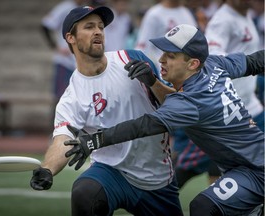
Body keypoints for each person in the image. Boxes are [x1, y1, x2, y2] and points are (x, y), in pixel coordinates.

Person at [64, 24, 265, 216]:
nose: (161, 60)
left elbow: (141, 126)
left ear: (192, 63)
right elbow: (256, 61)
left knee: (203, 207)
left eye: (170, 55)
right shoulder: (213, 64)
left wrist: (92, 141)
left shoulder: (190, 102)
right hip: (247, 164)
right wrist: (152, 82)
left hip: (255, 170)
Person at [30, 5, 183, 216]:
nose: (98, 31)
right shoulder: (72, 96)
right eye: (89, 26)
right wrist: (47, 169)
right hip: (111, 172)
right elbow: (62, 140)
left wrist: (153, 82)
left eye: (101, 27)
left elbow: (178, 106)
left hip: (156, 178)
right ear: (70, 38)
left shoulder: (132, 58)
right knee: (85, 192)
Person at [205, 0, 264, 132]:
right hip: (235, 111)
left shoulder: (245, 14)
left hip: (252, 104)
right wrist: (249, 64)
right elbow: (212, 59)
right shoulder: (222, 20)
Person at [41, 0, 88, 99]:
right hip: (65, 62)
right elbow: (45, 25)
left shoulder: (84, 8)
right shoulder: (66, 7)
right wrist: (56, 47)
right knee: (61, 97)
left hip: (78, 62)